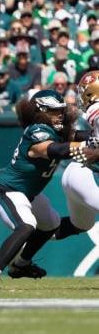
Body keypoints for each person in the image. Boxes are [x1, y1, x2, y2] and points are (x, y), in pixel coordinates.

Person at [0, 90, 99, 290]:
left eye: (61, 111)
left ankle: (21, 265)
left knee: (51, 224)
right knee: (27, 225)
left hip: (29, 193)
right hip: (7, 190)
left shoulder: (58, 130)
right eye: (54, 112)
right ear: (41, 112)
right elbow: (54, 149)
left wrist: (94, 138)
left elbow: (82, 136)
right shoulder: (37, 130)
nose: (59, 115)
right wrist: (85, 148)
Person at [56, 72, 99, 241]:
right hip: (87, 175)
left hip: (76, 172)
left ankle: (25, 247)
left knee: (79, 225)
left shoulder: (92, 111)